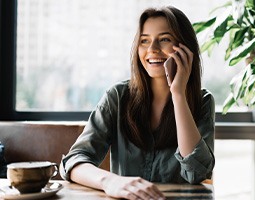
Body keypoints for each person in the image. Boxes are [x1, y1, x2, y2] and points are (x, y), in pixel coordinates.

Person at [60, 6, 215, 200]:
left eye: (164, 39)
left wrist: (178, 94)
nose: (152, 49)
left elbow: (196, 173)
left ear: (184, 48)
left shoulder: (202, 101)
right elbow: (73, 161)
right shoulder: (117, 96)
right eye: (144, 41)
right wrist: (110, 181)